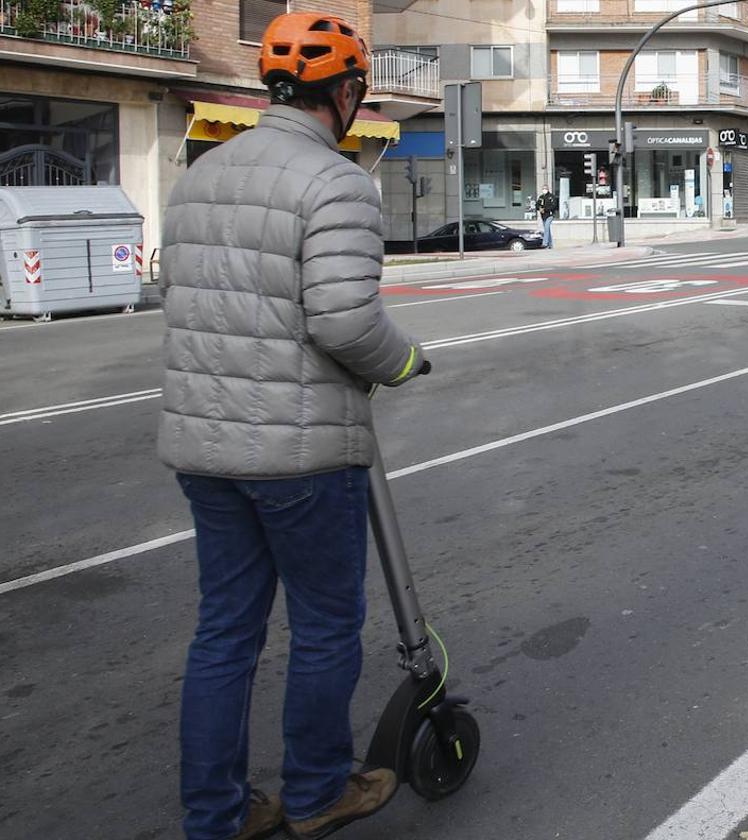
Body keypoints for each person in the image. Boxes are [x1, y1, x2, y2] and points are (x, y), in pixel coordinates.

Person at [158, 12, 426, 840]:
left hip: (205, 447)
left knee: (224, 634)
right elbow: (345, 325)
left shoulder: (199, 174)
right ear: (346, 94)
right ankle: (315, 793)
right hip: (300, 453)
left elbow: (186, 297)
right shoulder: (336, 181)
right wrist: (405, 361)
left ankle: (219, 813)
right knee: (323, 627)